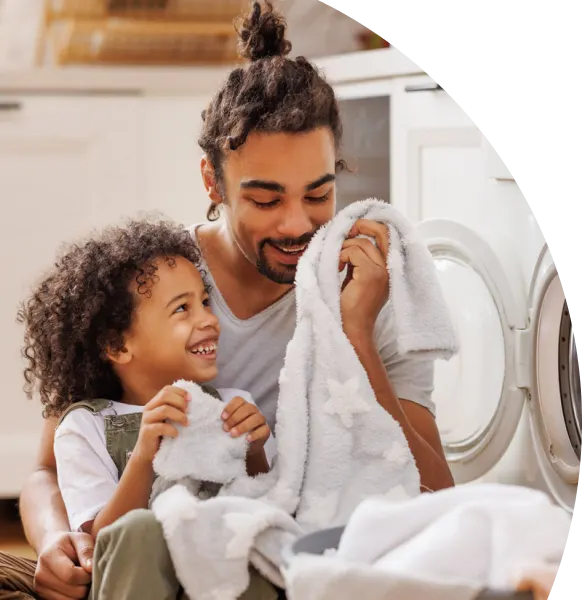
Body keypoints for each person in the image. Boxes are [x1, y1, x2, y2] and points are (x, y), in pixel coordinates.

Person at [0, 2, 454, 599]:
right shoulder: (159, 287)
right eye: (266, 200)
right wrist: (56, 540)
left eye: (318, 194)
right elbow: (47, 468)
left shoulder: (368, 289)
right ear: (213, 184)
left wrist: (356, 336)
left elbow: (438, 497)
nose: (299, 225)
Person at [0, 218, 279, 600]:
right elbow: (104, 539)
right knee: (142, 531)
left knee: (246, 531)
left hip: (214, 576)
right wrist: (145, 453)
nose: (209, 320)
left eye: (204, 302)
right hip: (135, 580)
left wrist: (255, 451)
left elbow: (268, 499)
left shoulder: (232, 405)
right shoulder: (86, 426)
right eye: (183, 308)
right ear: (117, 347)